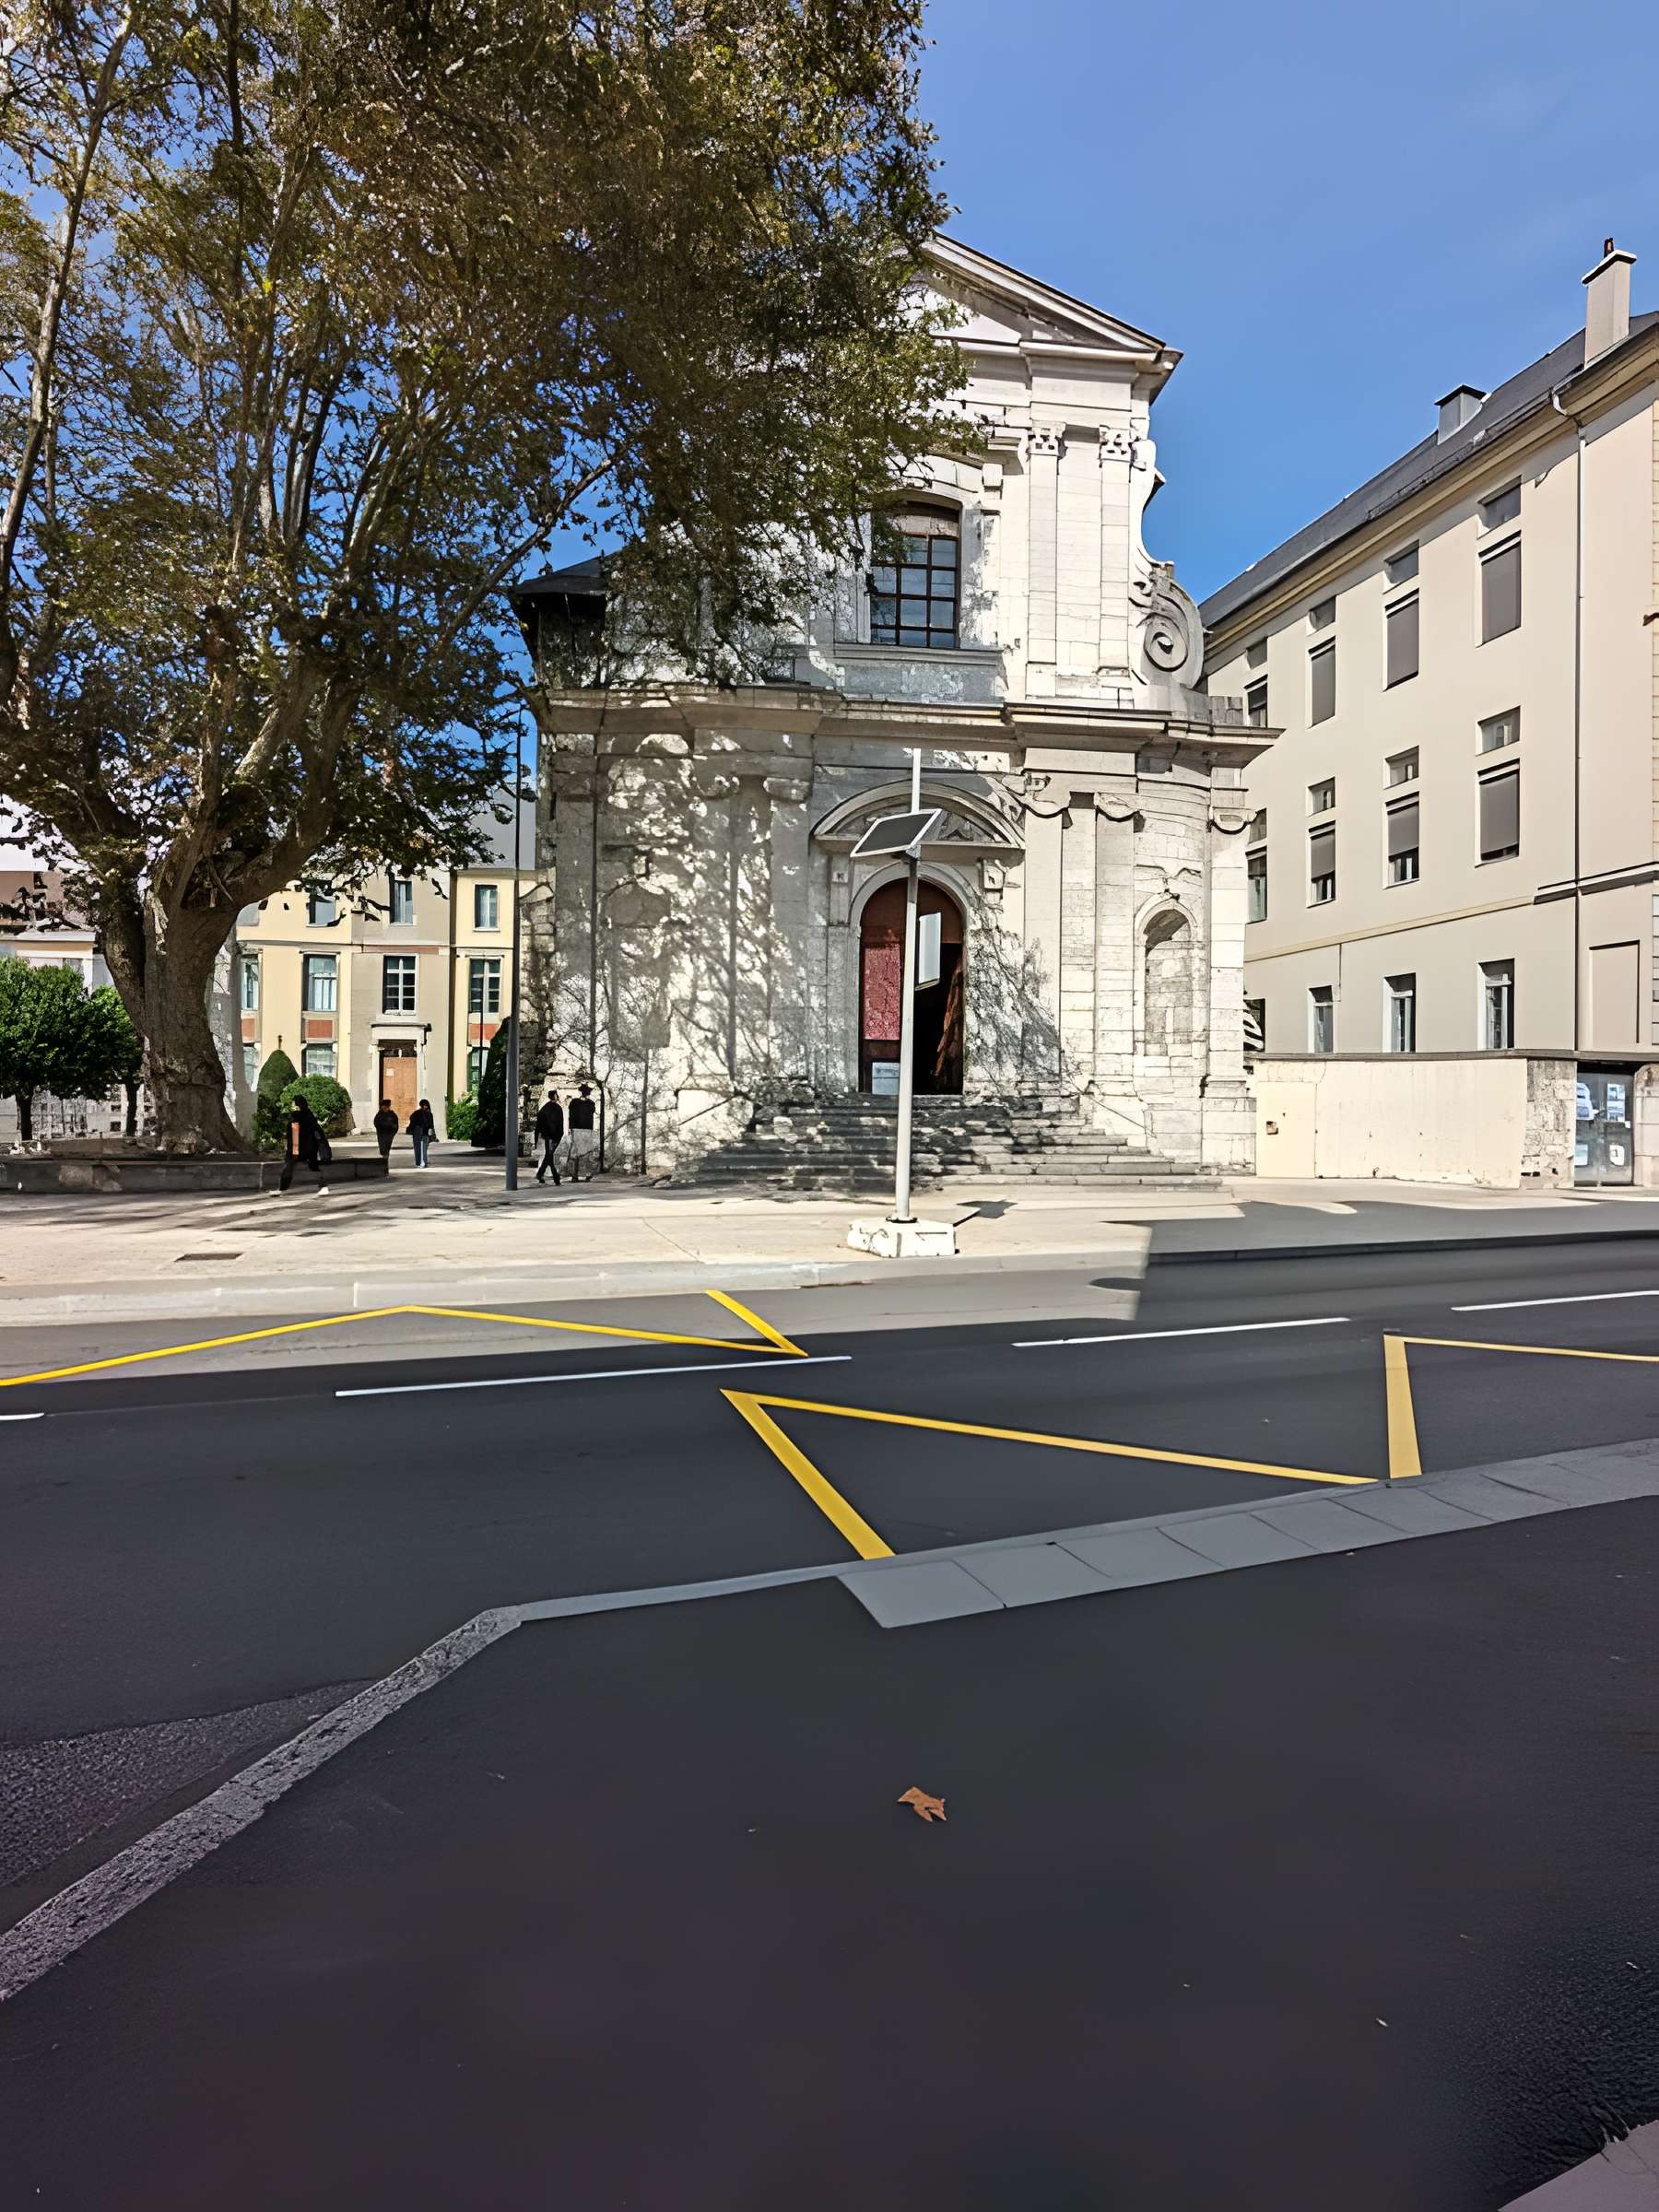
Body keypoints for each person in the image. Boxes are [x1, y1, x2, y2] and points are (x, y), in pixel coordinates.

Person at [278, 1094, 326, 1193]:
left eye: (293, 1104)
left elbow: (295, 1138)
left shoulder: (296, 1118)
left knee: (289, 1165)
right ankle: (321, 1182)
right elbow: (319, 1134)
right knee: (313, 1166)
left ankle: (283, 1187)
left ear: (297, 1105)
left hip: (301, 1152)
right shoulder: (310, 1116)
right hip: (311, 1152)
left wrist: (294, 1154)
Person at [566, 1081, 598, 1182]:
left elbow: (571, 1117)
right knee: (584, 1153)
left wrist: (570, 1129)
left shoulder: (575, 1103)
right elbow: (571, 1117)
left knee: (579, 1153)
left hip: (580, 1130)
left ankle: (576, 1175)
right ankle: (582, 1174)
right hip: (584, 1130)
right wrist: (571, 1129)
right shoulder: (590, 1103)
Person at [535, 1088, 564, 1184]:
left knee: (549, 1155)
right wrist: (560, 1134)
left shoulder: (545, 1108)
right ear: (554, 1096)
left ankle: (542, 1174)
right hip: (554, 1136)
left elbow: (539, 1122)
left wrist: (542, 1134)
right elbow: (560, 1123)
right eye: (556, 1095)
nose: (558, 1097)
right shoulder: (557, 1108)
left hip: (548, 1135)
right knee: (549, 1155)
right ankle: (555, 1177)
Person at [408, 1097, 435, 1168]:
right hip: (421, 1132)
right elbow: (431, 1125)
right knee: (422, 1148)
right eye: (425, 1105)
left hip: (420, 1133)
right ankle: (422, 1162)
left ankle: (421, 1162)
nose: (426, 1106)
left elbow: (412, 1120)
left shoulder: (418, 1113)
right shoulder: (427, 1114)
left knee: (420, 1148)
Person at [372, 1096, 400, 1164]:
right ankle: (384, 1161)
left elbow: (396, 1124)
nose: (386, 1108)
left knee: (387, 1148)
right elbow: (376, 1123)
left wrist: (393, 1132)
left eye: (387, 1106)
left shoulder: (392, 1114)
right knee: (382, 1148)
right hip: (382, 1134)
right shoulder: (379, 1114)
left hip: (389, 1134)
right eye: (384, 1106)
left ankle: (385, 1162)